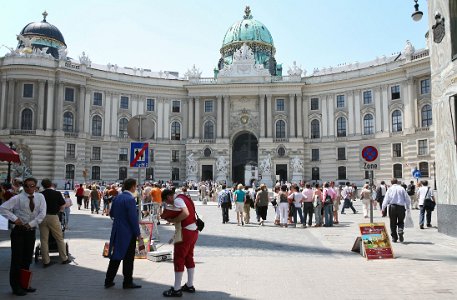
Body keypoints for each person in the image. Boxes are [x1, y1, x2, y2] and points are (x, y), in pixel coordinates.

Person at [0, 177, 46, 296]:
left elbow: (42, 213)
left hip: (30, 230)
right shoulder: (17, 198)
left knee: (27, 259)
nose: (30, 188)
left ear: (36, 187)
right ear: (24, 186)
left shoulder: (40, 197)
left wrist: (31, 224)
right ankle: (16, 286)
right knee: (17, 260)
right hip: (18, 232)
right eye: (27, 186)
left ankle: (25, 284)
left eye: (32, 186)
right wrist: (15, 219)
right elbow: (3, 208)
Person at [104, 178, 143, 289]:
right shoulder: (130, 199)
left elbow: (111, 214)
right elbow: (133, 219)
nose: (136, 188)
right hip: (127, 232)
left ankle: (108, 280)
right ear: (132, 187)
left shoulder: (117, 198)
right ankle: (127, 282)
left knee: (115, 256)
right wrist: (138, 234)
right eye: (135, 186)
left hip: (117, 230)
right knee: (128, 258)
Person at [161, 189, 199, 297]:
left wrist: (174, 220)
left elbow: (185, 213)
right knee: (189, 257)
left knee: (179, 258)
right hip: (193, 230)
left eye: (166, 201)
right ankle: (190, 285)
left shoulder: (177, 200)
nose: (167, 204)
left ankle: (176, 288)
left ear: (169, 197)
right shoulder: (184, 197)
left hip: (185, 231)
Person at [39, 178, 71, 267]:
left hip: (42, 217)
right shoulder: (56, 193)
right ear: (51, 185)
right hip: (53, 216)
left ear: (43, 186)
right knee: (59, 238)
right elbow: (63, 204)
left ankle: (46, 261)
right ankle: (64, 258)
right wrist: (60, 211)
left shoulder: (40, 194)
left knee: (44, 240)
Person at [382, 178, 411, 243]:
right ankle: (400, 231)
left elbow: (386, 199)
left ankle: (394, 237)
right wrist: (408, 207)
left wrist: (383, 208)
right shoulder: (402, 188)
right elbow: (407, 199)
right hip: (401, 207)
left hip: (392, 207)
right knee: (401, 221)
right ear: (397, 182)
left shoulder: (390, 189)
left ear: (391, 183)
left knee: (392, 223)